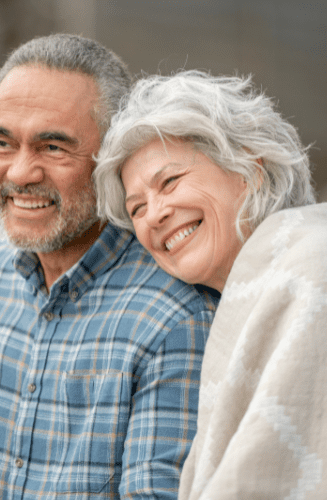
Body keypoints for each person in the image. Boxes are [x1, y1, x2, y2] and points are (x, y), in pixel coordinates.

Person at [0, 36, 219, 499]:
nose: (20, 173)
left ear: (114, 160)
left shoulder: (175, 317)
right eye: (2, 142)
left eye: (53, 147)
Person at [94, 69, 327, 498]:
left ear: (251, 169)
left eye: (170, 181)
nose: (155, 215)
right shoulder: (238, 295)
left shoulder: (311, 268)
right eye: (137, 207)